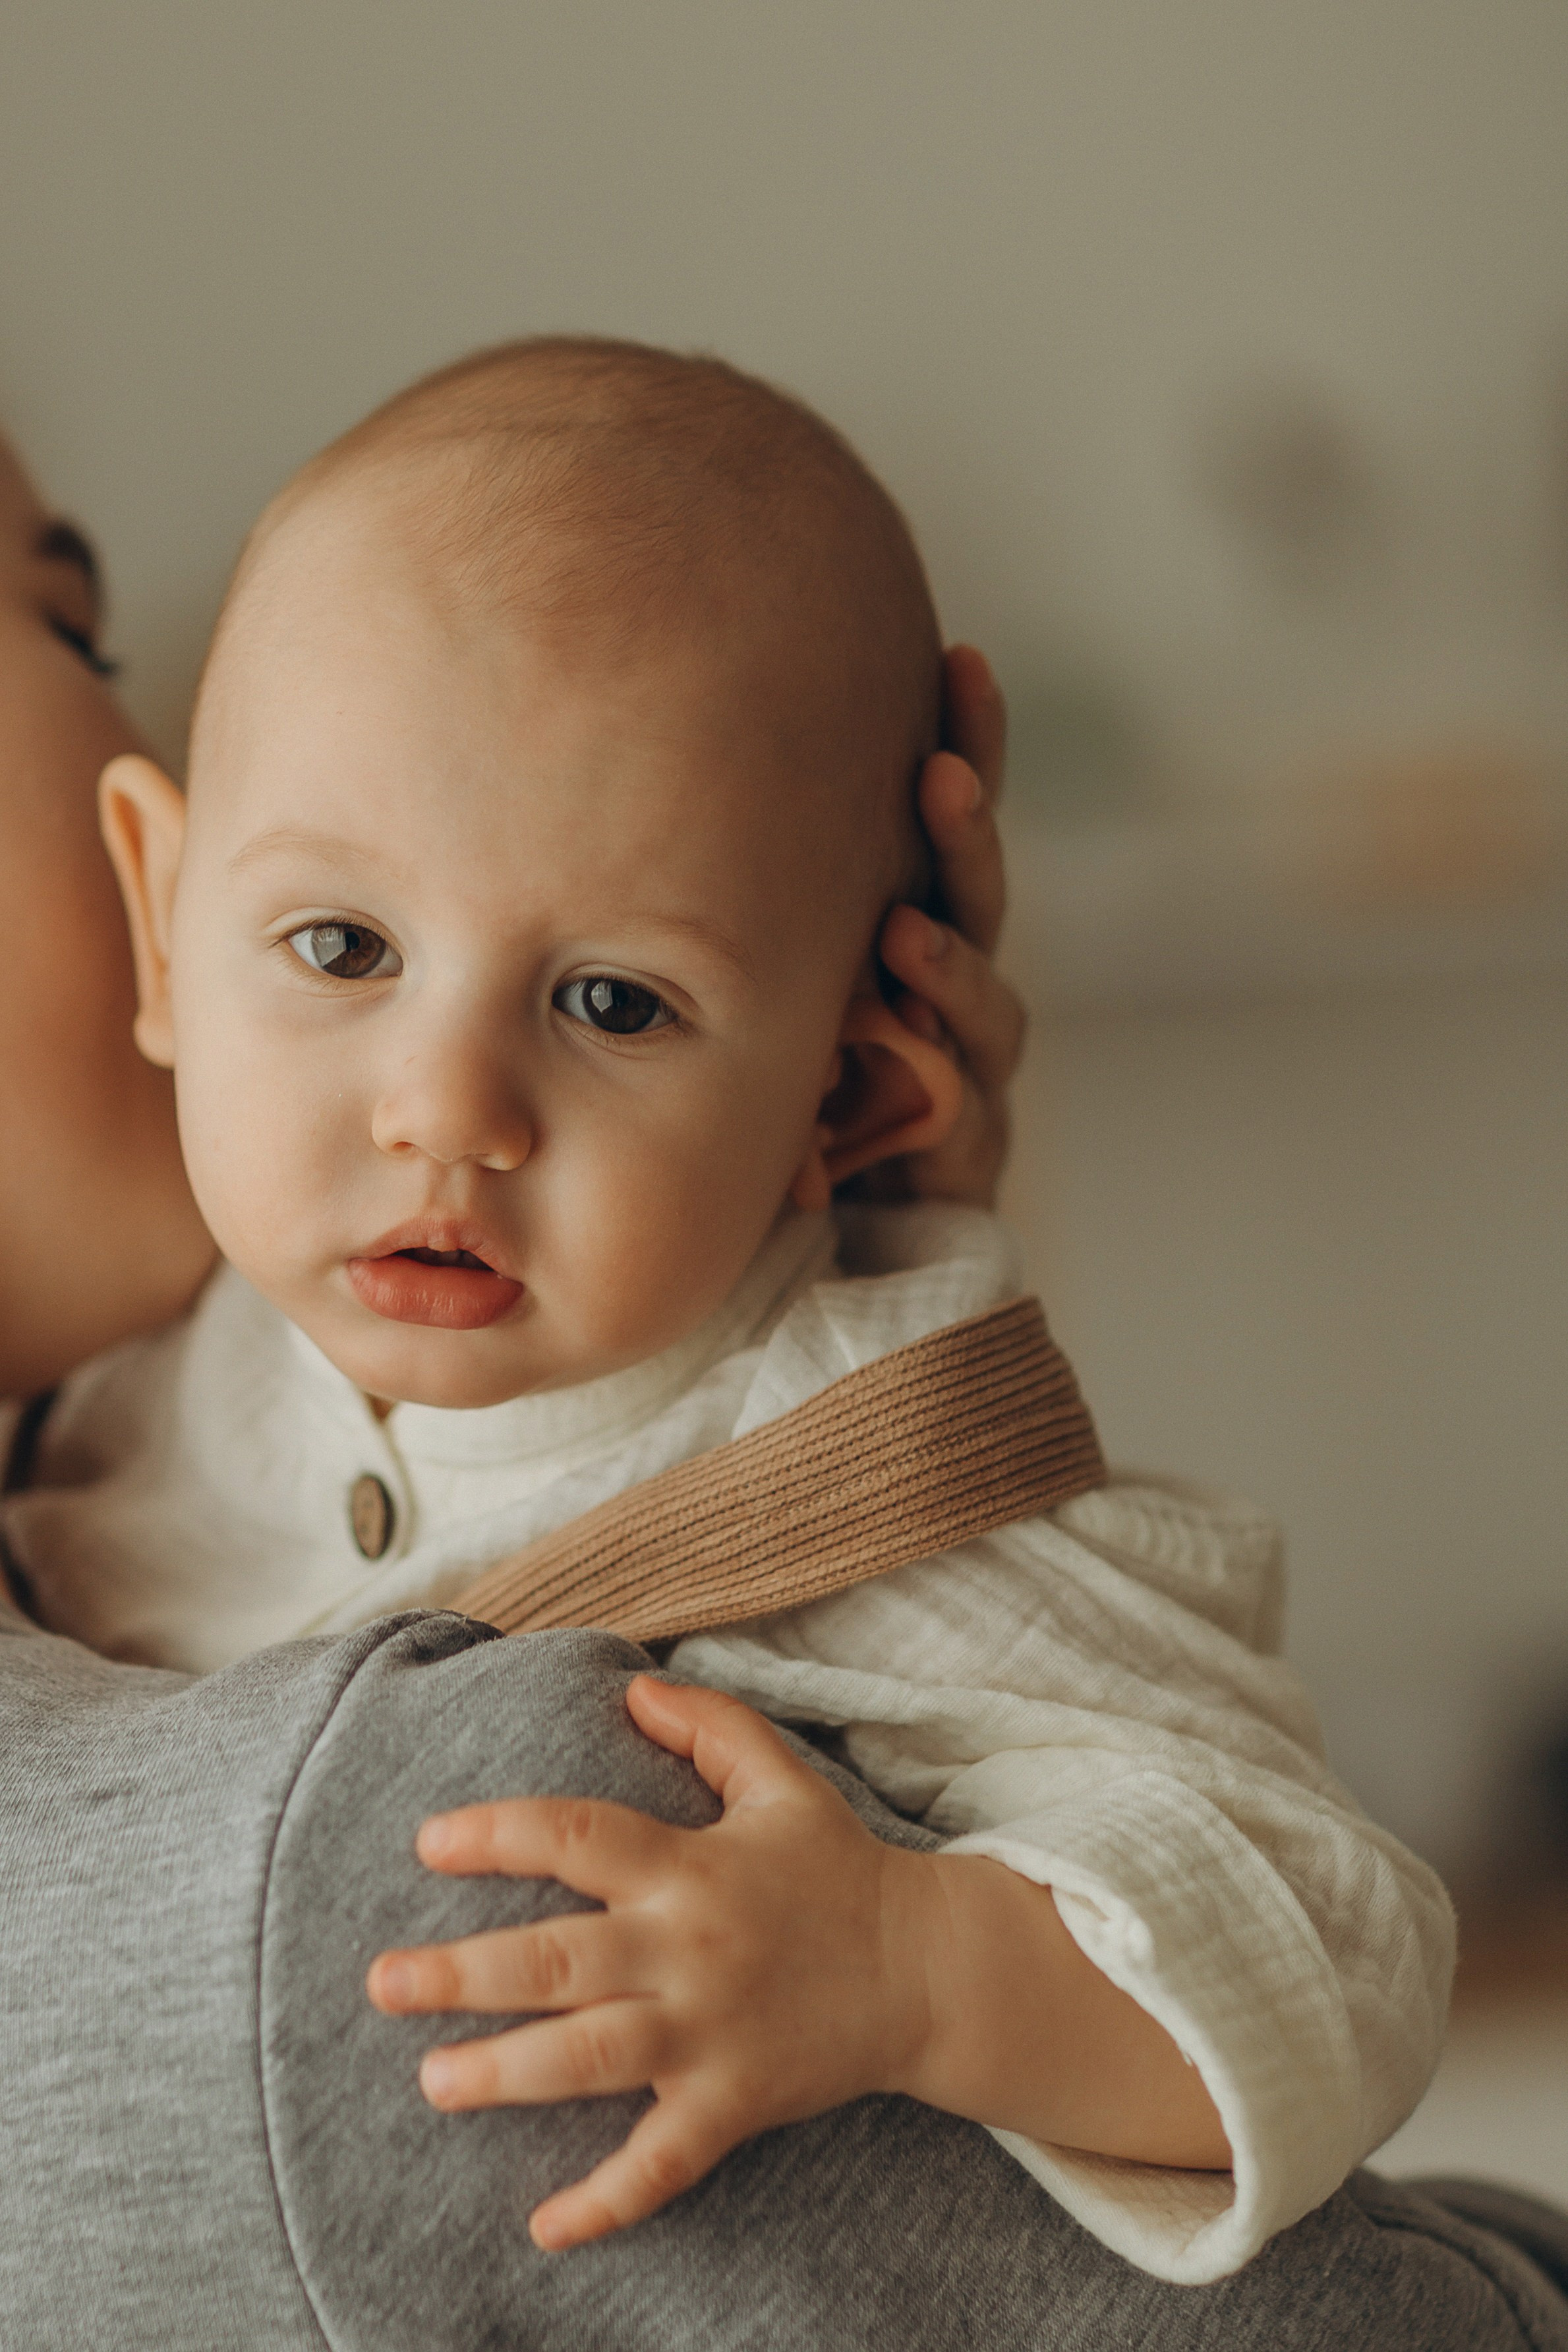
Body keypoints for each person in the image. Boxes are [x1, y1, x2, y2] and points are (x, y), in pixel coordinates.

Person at [4, 366, 1567, 2352]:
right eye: (342, 951)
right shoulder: (119, 1434)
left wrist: (918, 1967)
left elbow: (1331, 1929)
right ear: (166, 926)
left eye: (612, 1003)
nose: (447, 1110)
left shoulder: (866, 1472)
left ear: (849, 1092)